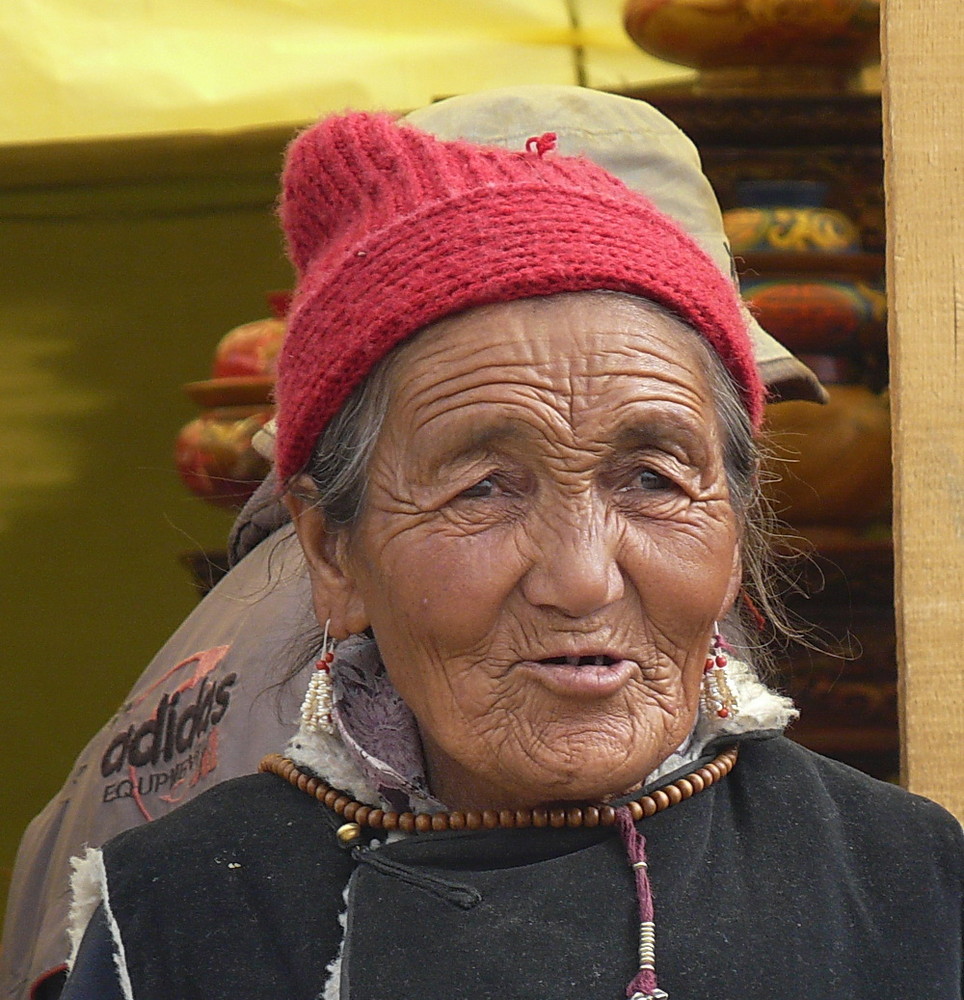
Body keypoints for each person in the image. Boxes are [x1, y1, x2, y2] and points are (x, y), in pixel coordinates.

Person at [34, 86, 964, 999]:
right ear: (331, 555)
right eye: (483, 488)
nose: (582, 578)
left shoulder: (909, 882)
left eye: (654, 478)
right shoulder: (175, 918)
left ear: (733, 527)